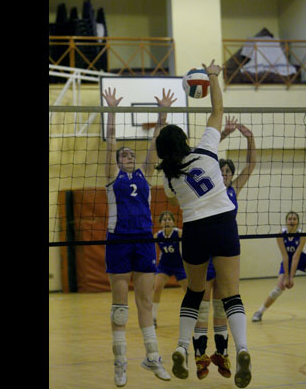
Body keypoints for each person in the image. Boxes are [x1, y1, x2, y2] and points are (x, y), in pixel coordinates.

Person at [155, 59, 252, 388]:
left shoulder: (169, 177)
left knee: (194, 294)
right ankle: (242, 349)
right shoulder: (207, 150)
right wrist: (213, 75)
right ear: (185, 141)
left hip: (194, 230)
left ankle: (182, 347)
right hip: (223, 223)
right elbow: (218, 108)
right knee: (231, 294)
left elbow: (172, 202)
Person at [103, 87, 176, 386]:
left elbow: (155, 144)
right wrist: (111, 111)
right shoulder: (112, 176)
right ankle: (120, 363)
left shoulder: (145, 174)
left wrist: (162, 114)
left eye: (131, 154)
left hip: (145, 241)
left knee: (145, 302)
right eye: (124, 155)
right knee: (120, 308)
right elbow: (110, 141)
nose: (129, 156)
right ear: (118, 161)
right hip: (119, 241)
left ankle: (153, 357)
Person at [192, 116, 257, 380]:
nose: (226, 174)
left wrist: (249, 138)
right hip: (207, 250)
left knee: (222, 305)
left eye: (229, 171)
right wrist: (225, 134)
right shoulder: (209, 191)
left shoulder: (234, 189)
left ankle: (222, 353)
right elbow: (205, 156)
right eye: (222, 171)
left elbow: (251, 165)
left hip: (226, 250)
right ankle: (200, 356)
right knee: (203, 304)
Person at [251, 211, 306, 322]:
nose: (292, 221)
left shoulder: (302, 235)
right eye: (290, 219)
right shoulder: (280, 235)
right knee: (278, 289)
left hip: (302, 259)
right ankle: (259, 312)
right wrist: (287, 277)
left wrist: (291, 277)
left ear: (298, 222)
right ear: (286, 221)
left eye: (294, 219)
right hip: (287, 261)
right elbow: (285, 256)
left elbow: (296, 257)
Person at [152, 210, 188, 328]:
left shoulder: (179, 233)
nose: (167, 221)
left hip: (179, 266)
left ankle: (193, 315)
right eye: (164, 220)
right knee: (157, 288)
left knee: (189, 291)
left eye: (169, 219)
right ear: (160, 223)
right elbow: (153, 252)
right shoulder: (157, 236)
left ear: (173, 222)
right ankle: (153, 318)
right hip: (164, 266)